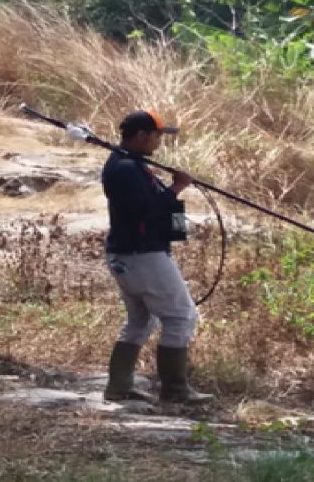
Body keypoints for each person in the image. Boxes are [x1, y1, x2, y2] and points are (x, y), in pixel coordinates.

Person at [100, 110, 213, 405]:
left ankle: (119, 387)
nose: (160, 142)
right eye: (157, 135)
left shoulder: (132, 165)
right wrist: (177, 186)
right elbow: (147, 210)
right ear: (141, 135)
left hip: (131, 253)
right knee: (181, 316)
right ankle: (175, 390)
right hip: (142, 255)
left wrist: (175, 196)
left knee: (141, 320)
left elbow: (161, 209)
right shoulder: (125, 168)